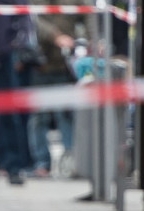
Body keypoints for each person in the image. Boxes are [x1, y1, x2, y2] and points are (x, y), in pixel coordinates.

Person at [27, 0, 96, 178]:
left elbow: (88, 14)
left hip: (66, 65)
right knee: (38, 116)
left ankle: (70, 161)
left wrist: (91, 42)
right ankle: (41, 164)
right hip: (39, 63)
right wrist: (54, 36)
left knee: (66, 114)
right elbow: (31, 17)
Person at [0, 0, 34, 186]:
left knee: (9, 113)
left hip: (5, 54)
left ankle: (14, 166)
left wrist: (16, 46)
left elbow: (23, 18)